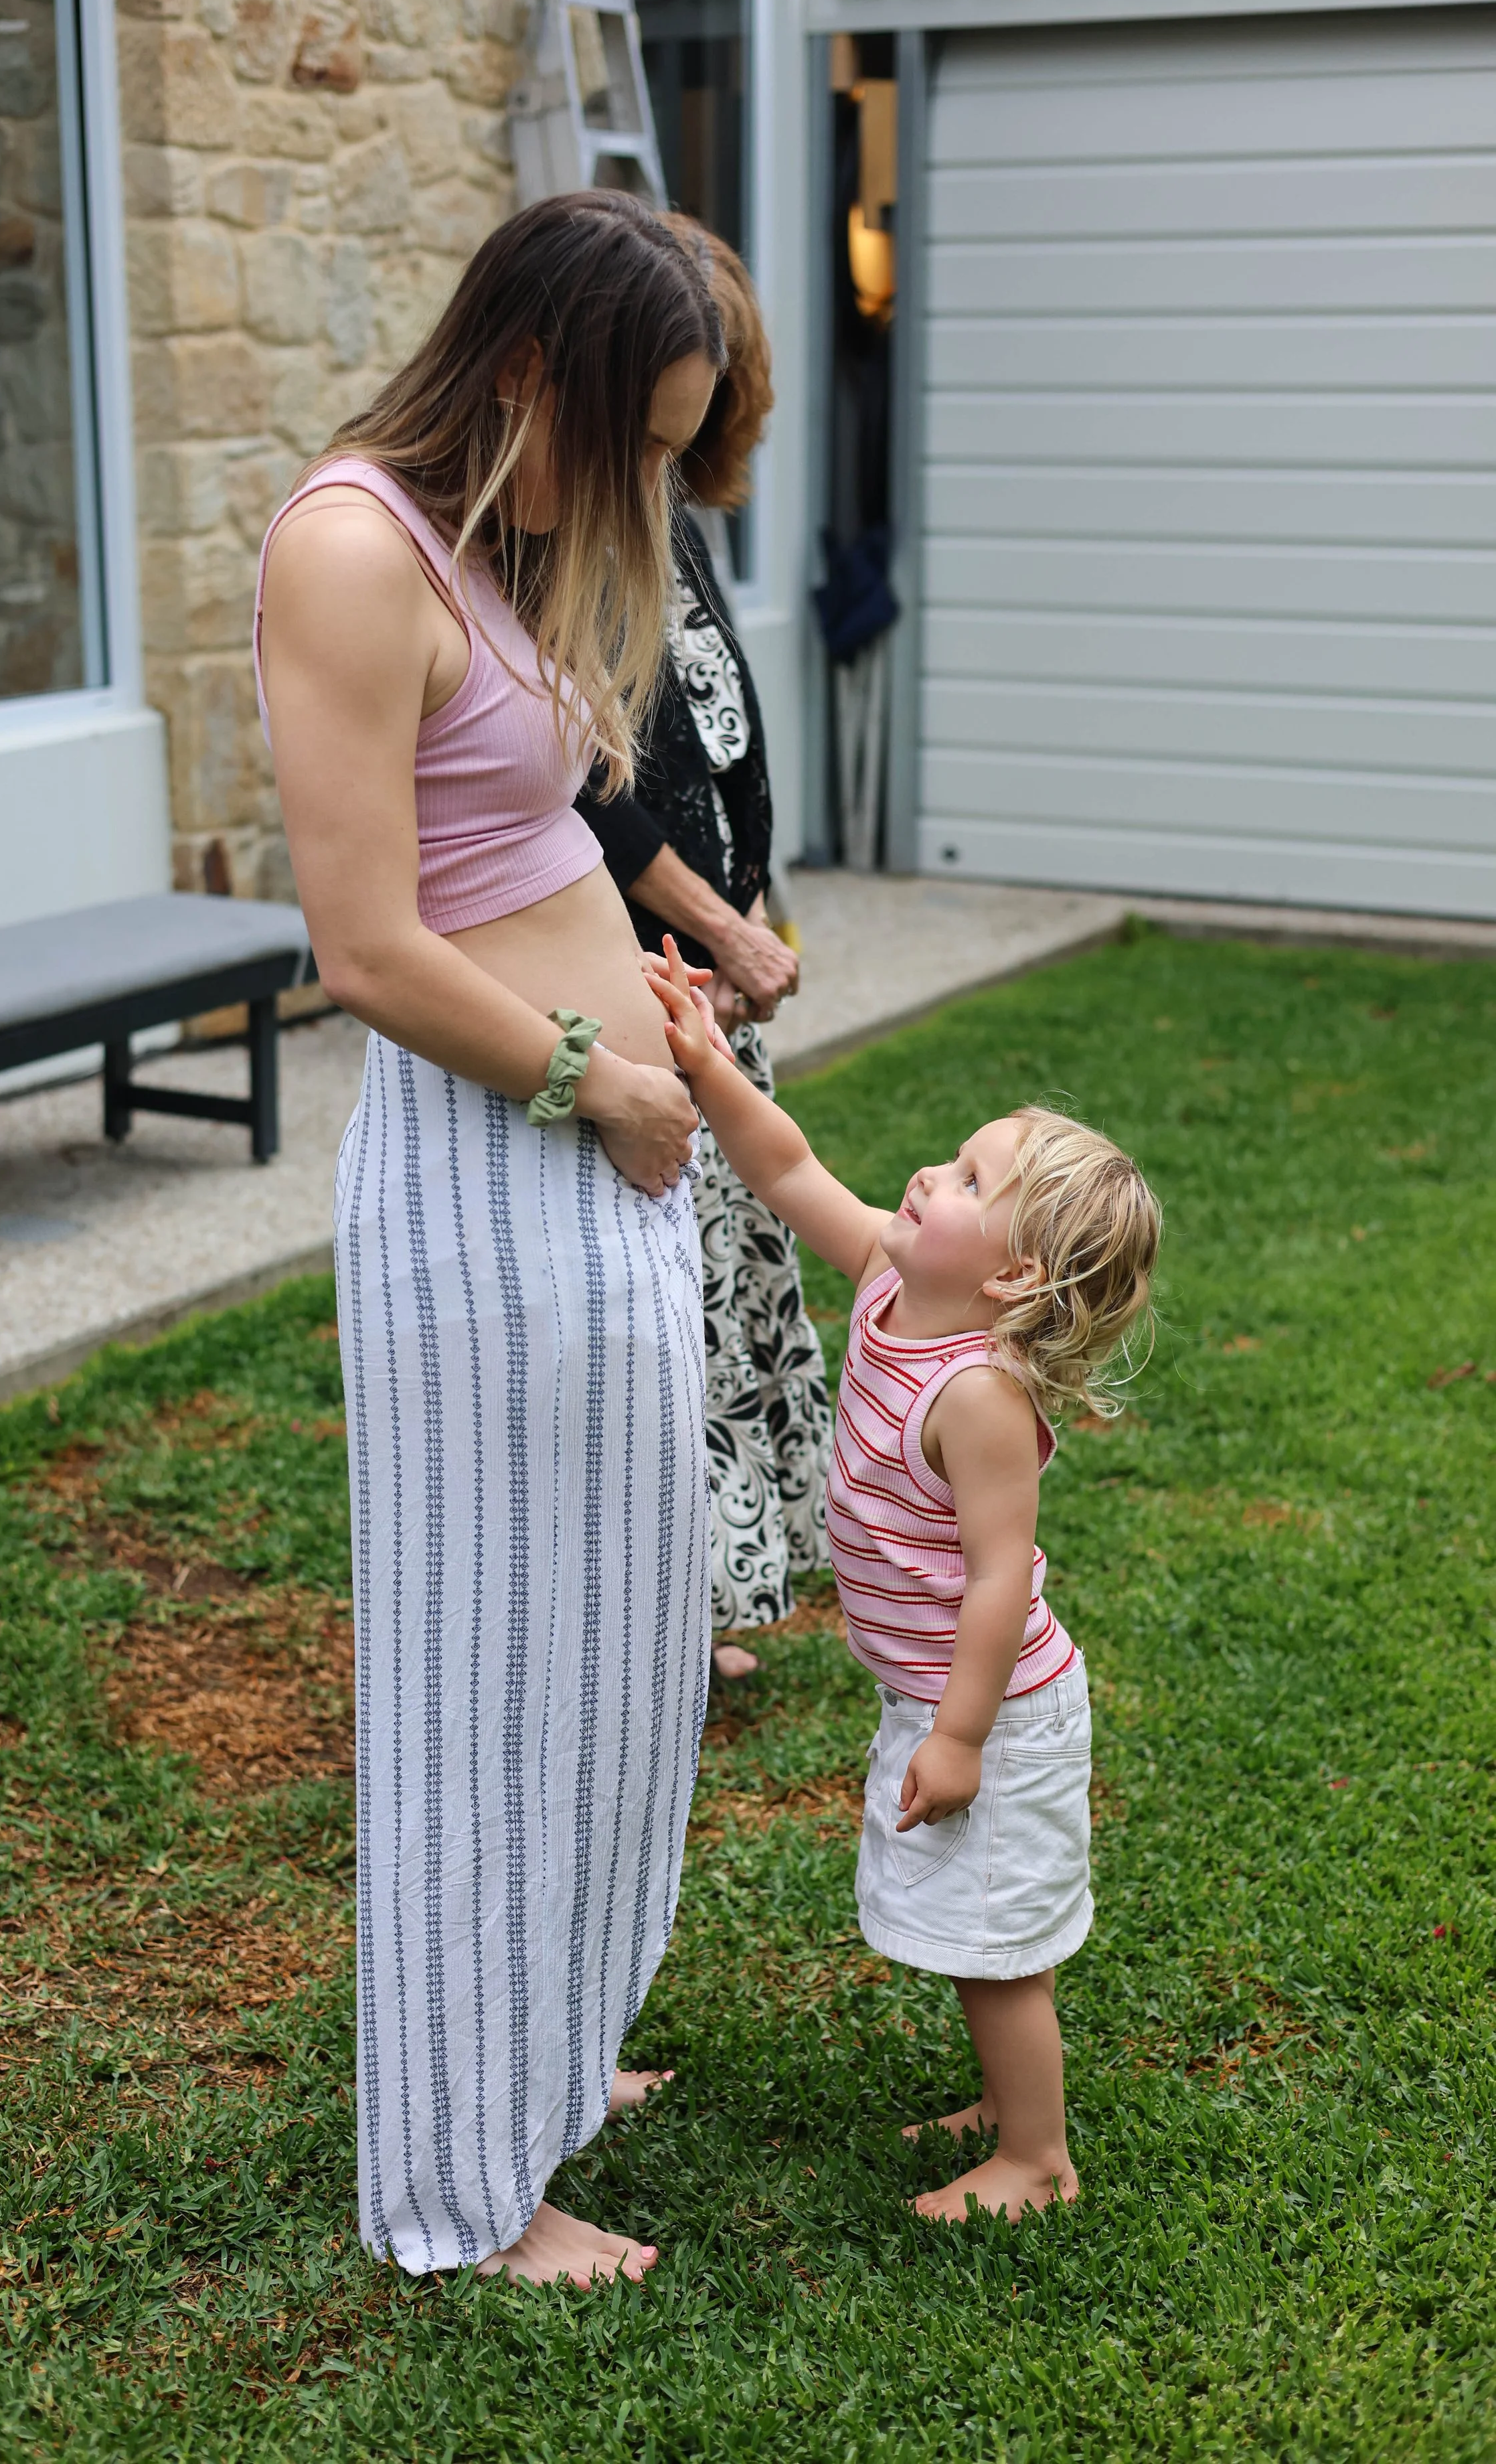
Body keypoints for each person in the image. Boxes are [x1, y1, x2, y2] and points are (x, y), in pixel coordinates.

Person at [256, 194, 725, 2290]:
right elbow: (360, 940)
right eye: (631, 438)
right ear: (526, 369)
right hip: (491, 1171)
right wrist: (591, 1071)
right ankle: (463, 2178)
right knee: (491, 1678)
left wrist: (660, 1010)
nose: (637, 484)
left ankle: (549, 2044)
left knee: (621, 1648)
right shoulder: (351, 547)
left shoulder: (488, 544)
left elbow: (517, 834)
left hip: (587, 1153)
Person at [646, 940, 1161, 2223]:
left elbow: (1000, 1580)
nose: (933, 1170)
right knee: (967, 1924)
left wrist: (964, 1735)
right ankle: (1002, 2100)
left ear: (1011, 1278)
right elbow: (786, 1168)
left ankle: (1036, 2159)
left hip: (993, 1705)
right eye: (955, 1155)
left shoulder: (979, 1396)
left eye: (971, 1177)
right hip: (929, 1695)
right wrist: (710, 1066)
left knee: (999, 1945)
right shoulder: (889, 1271)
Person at [574, 223, 832, 1680]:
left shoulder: (675, 519)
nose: (691, 436)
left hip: (717, 982)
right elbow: (590, 788)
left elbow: (717, 751)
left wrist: (756, 909)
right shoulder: (580, 536)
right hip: (642, 986)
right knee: (664, 1301)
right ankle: (664, 1600)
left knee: (731, 1297)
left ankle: (719, 1582)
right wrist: (718, 924)